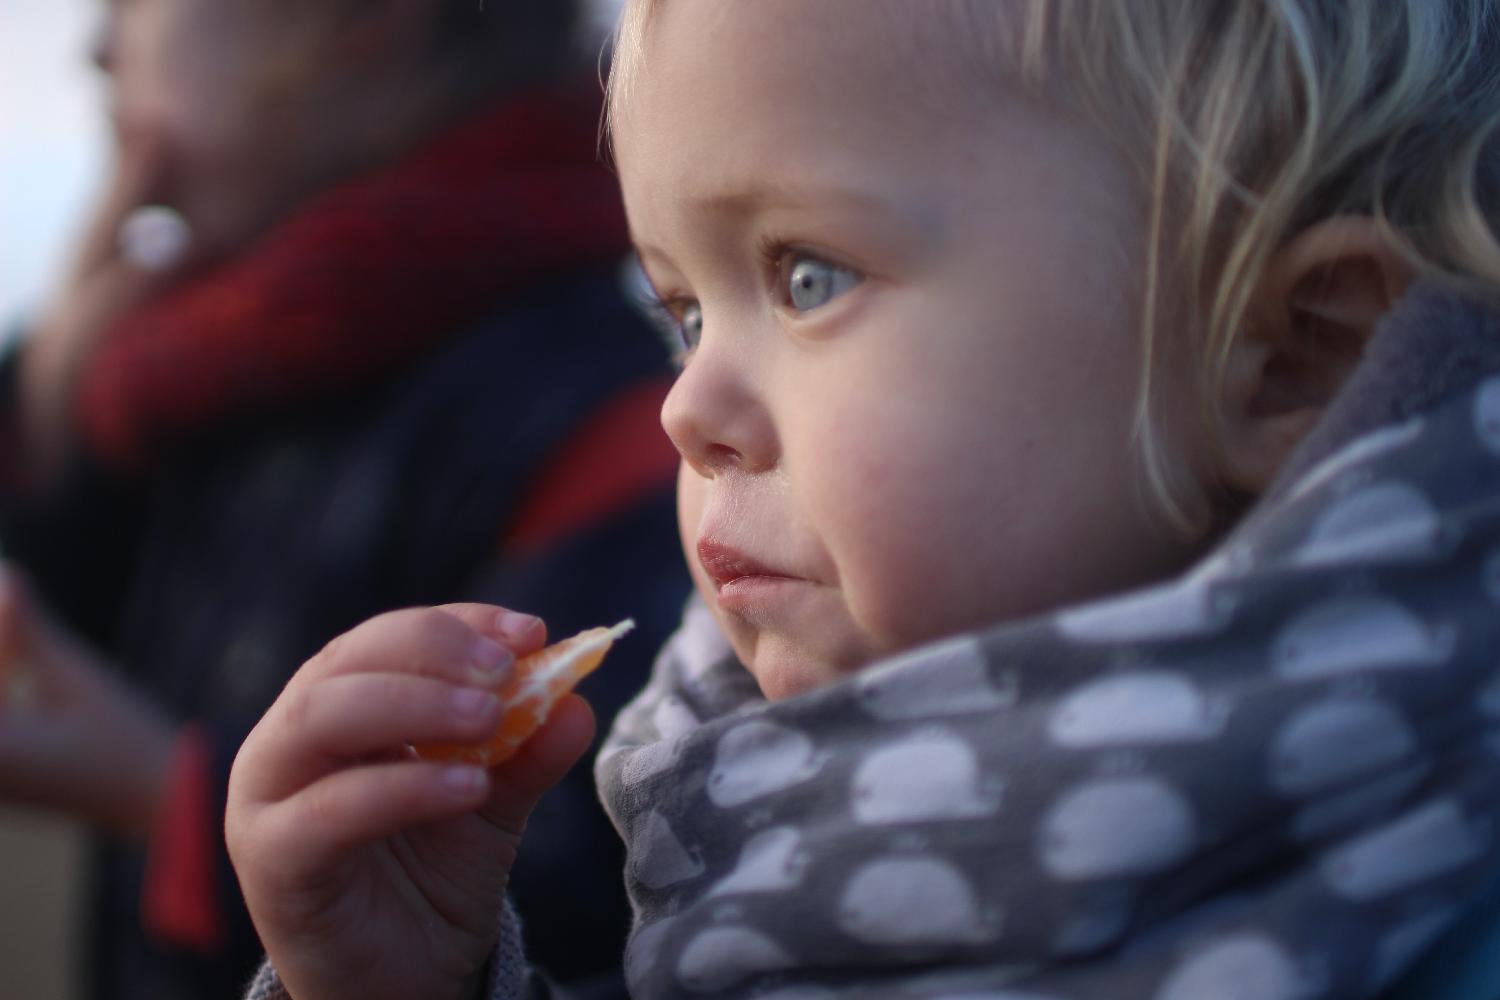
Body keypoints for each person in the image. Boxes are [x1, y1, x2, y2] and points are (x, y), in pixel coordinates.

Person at [227, 1, 1500, 997]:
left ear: (1289, 361)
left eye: (809, 277)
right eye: (680, 312)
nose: (684, 408)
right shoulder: (714, 804)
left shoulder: (1433, 899)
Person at [0, 1, 690, 998]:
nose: (100, 47)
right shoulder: (204, 365)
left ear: (358, 24)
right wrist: (53, 406)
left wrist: (173, 801)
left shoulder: (601, 412)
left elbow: (595, 901)